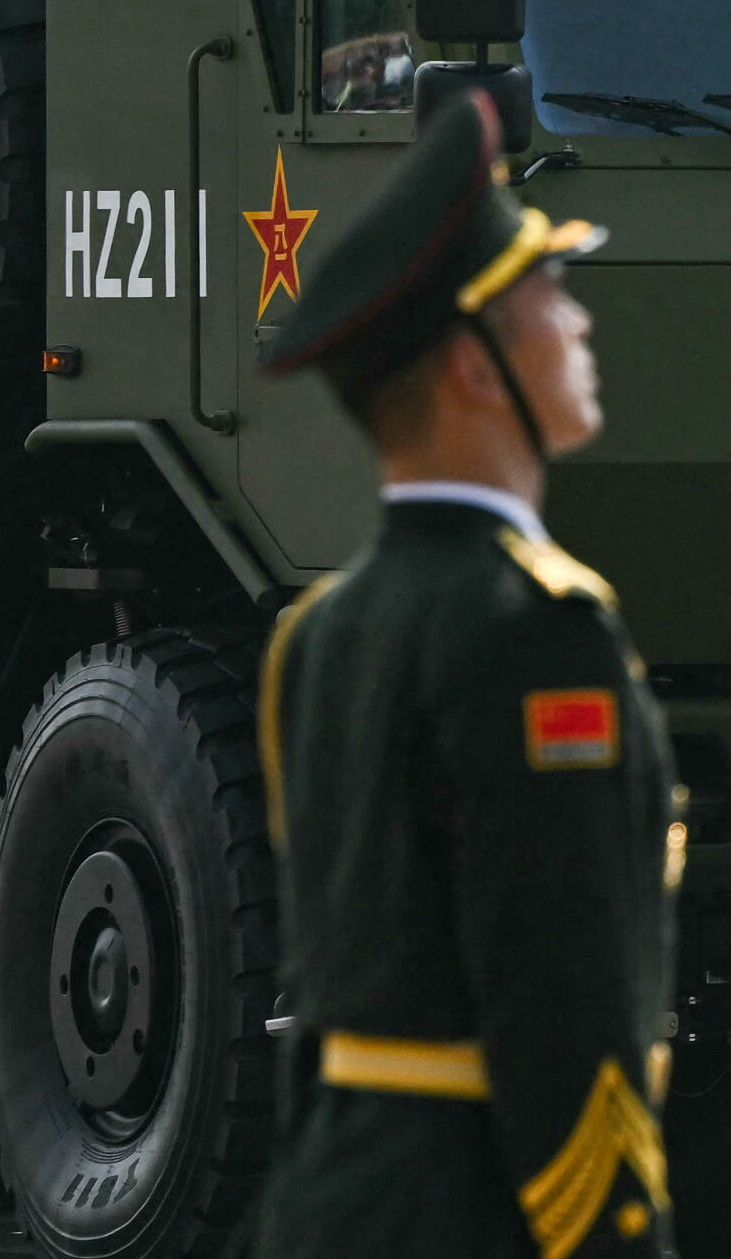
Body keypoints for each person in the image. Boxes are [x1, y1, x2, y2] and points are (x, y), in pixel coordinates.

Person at [251, 88, 678, 1259]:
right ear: (475, 371)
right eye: (546, 296)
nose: (578, 324)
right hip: (478, 1209)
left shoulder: (323, 630)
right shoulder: (536, 629)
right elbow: (558, 986)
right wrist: (613, 1236)